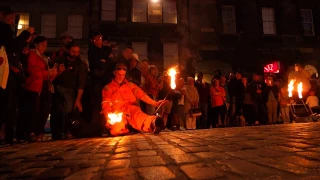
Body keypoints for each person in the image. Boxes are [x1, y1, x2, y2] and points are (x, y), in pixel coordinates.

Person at [101, 63, 166, 136]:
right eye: (119, 74)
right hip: (119, 113)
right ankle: (127, 129)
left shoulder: (130, 85)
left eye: (123, 75)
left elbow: (142, 95)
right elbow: (106, 105)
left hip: (132, 109)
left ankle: (154, 122)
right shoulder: (108, 88)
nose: (121, 77)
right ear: (114, 73)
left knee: (141, 117)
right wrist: (108, 119)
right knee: (116, 130)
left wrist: (155, 103)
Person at [23, 36, 57, 142]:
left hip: (44, 86)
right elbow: (32, 70)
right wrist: (47, 73)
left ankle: (38, 131)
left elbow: (47, 76)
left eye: (45, 46)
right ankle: (31, 132)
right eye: (42, 45)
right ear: (36, 44)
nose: (44, 48)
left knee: (44, 110)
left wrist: (55, 72)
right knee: (34, 110)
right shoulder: (32, 54)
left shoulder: (44, 57)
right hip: (34, 86)